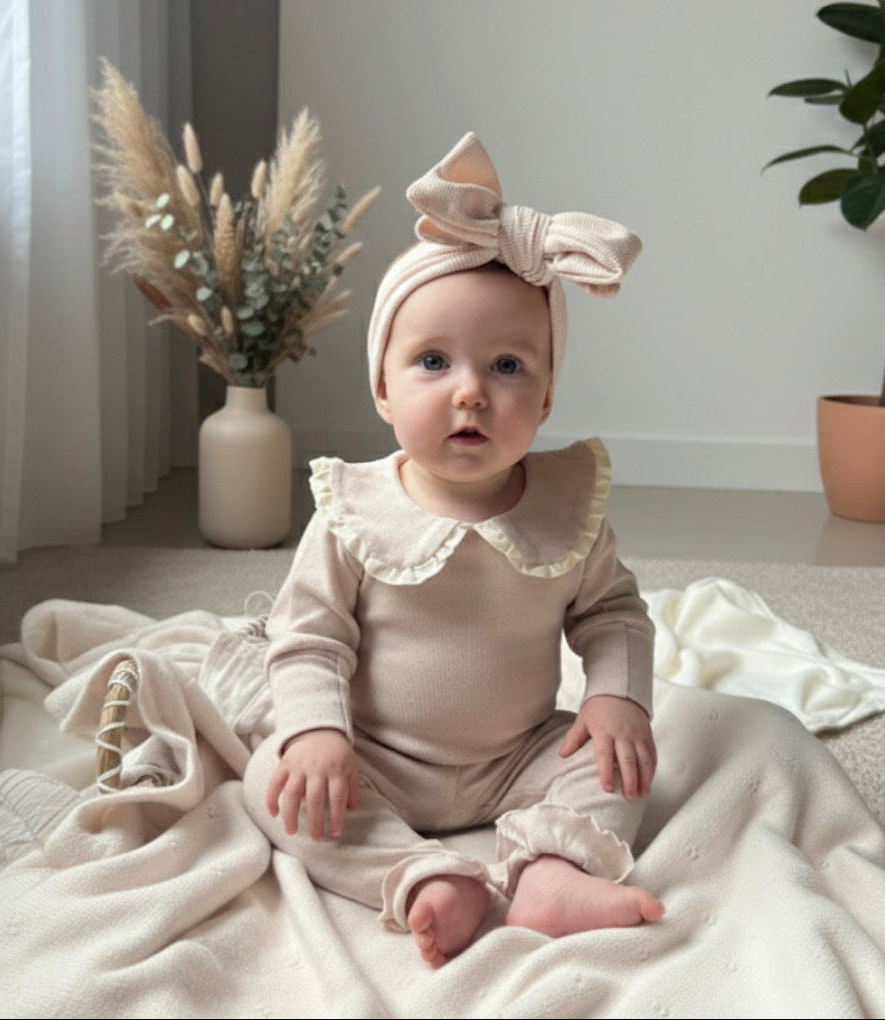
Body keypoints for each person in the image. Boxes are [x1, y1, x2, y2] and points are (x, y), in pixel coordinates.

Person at [242, 132, 662, 967]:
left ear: (544, 400)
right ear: (383, 389)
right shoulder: (354, 512)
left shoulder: (565, 509)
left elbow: (613, 611)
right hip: (374, 758)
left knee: (617, 764)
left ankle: (548, 872)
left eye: (506, 365)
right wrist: (317, 732)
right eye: (432, 361)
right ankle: (426, 877)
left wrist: (616, 698)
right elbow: (308, 639)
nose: (470, 389)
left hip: (516, 756)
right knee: (272, 783)